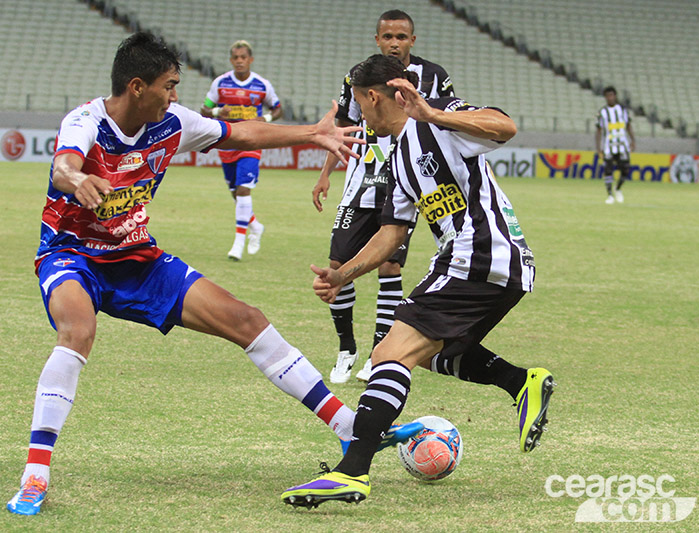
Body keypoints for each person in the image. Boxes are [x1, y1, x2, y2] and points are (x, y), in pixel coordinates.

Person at [6, 33, 422, 516]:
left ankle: (348, 426)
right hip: (72, 255)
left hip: (137, 258)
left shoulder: (172, 122)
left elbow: (240, 134)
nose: (176, 94)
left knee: (247, 319)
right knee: (78, 330)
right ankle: (36, 473)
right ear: (137, 87)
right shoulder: (85, 121)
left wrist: (311, 133)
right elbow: (63, 167)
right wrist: (78, 180)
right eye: (170, 85)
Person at [282, 55, 555, 508]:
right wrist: (341, 274)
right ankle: (520, 382)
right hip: (477, 264)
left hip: (482, 256)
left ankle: (353, 472)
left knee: (389, 352)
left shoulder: (437, 122)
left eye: (358, 101)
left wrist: (431, 112)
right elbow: (391, 234)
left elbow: (504, 127)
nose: (359, 113)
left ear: (372, 96)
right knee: (428, 356)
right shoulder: (398, 158)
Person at [312, 9, 455, 384]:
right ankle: (346, 348)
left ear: (413, 40)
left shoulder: (434, 77)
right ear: (377, 39)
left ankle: (377, 354)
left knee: (389, 266)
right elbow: (343, 128)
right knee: (337, 265)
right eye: (388, 36)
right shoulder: (357, 77)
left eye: (402, 37)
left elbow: (446, 123)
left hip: (404, 182)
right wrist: (326, 174)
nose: (395, 43)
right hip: (360, 181)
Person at [200, 40, 282, 260]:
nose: (239, 61)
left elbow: (277, 109)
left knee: (244, 189)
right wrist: (218, 111)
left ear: (250, 59)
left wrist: (262, 118)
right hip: (227, 142)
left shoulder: (262, 85)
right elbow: (204, 109)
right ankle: (255, 226)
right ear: (231, 60)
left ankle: (238, 243)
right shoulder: (221, 83)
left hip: (251, 141)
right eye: (235, 57)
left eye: (243, 57)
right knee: (237, 193)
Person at [595, 86, 634, 204]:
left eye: (612, 95)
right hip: (608, 146)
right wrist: (598, 147)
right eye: (608, 96)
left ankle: (618, 189)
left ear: (615, 96)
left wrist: (633, 140)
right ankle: (610, 195)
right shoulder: (602, 112)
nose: (610, 98)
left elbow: (628, 126)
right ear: (605, 98)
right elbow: (598, 130)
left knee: (626, 170)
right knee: (608, 170)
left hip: (622, 145)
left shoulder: (622, 110)